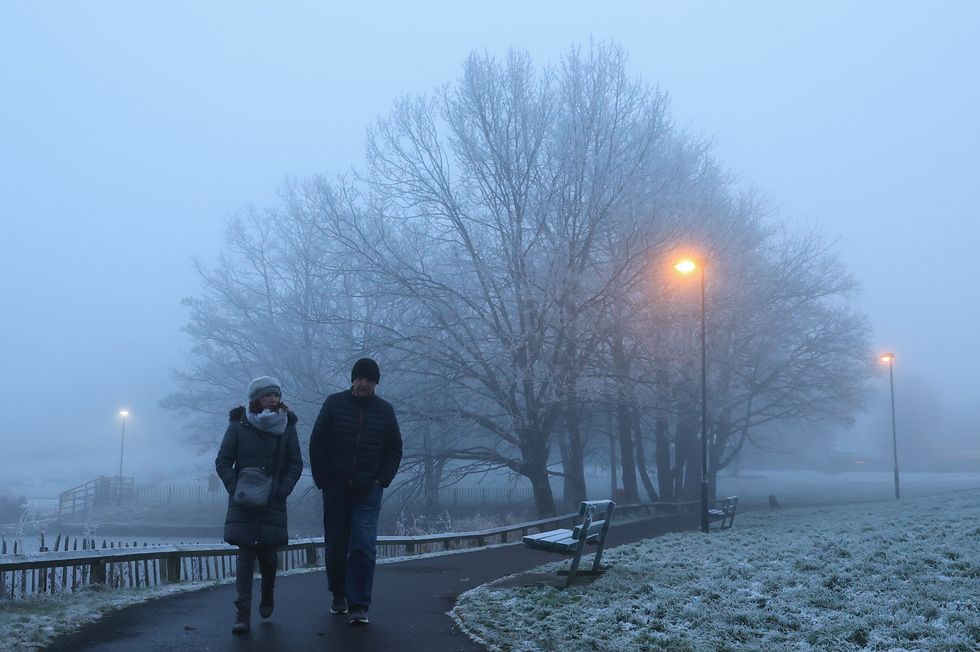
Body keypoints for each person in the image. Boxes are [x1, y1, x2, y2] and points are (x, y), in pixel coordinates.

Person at [309, 358, 403, 625]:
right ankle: (338, 592)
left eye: (369, 379)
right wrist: (323, 480)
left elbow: (394, 449)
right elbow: (318, 442)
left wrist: (382, 480)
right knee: (336, 546)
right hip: (335, 488)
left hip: (368, 490)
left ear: (375, 383)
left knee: (363, 544)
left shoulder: (385, 411)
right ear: (352, 380)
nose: (363, 383)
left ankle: (359, 604)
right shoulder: (334, 404)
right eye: (359, 378)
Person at [215, 376, 303, 635]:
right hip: (244, 501)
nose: (274, 400)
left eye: (276, 395)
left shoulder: (287, 426)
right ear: (256, 399)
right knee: (245, 556)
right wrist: (236, 487)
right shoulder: (238, 425)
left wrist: (282, 489)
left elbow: (295, 463)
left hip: (273, 501)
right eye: (268, 395)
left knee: (268, 556)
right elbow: (223, 461)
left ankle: (267, 592)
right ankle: (242, 613)